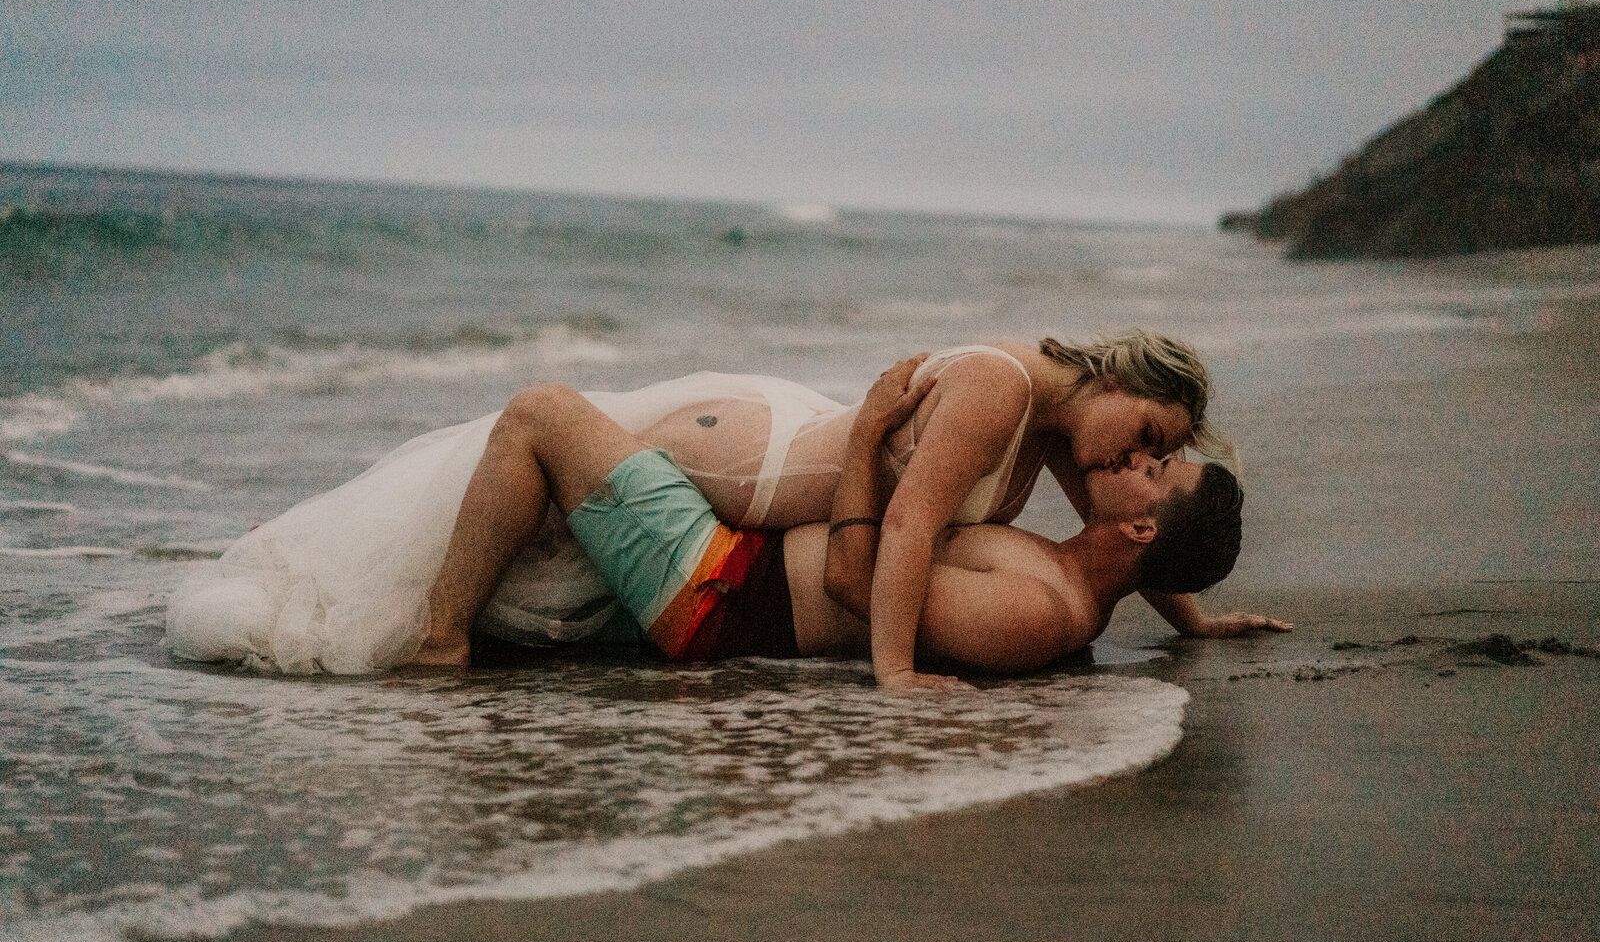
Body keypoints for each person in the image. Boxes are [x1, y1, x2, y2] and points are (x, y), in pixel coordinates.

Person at [418, 334, 1288, 673]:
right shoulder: (1047, 460)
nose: (1141, 456)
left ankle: (437, 643)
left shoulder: (1044, 609)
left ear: (1139, 523)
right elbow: (1147, 545)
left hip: (721, 586)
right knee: (529, 580)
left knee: (538, 413)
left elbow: (854, 573)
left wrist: (896, 681)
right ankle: (467, 627)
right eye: (1149, 439)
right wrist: (1195, 622)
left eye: (1157, 461)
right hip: (730, 559)